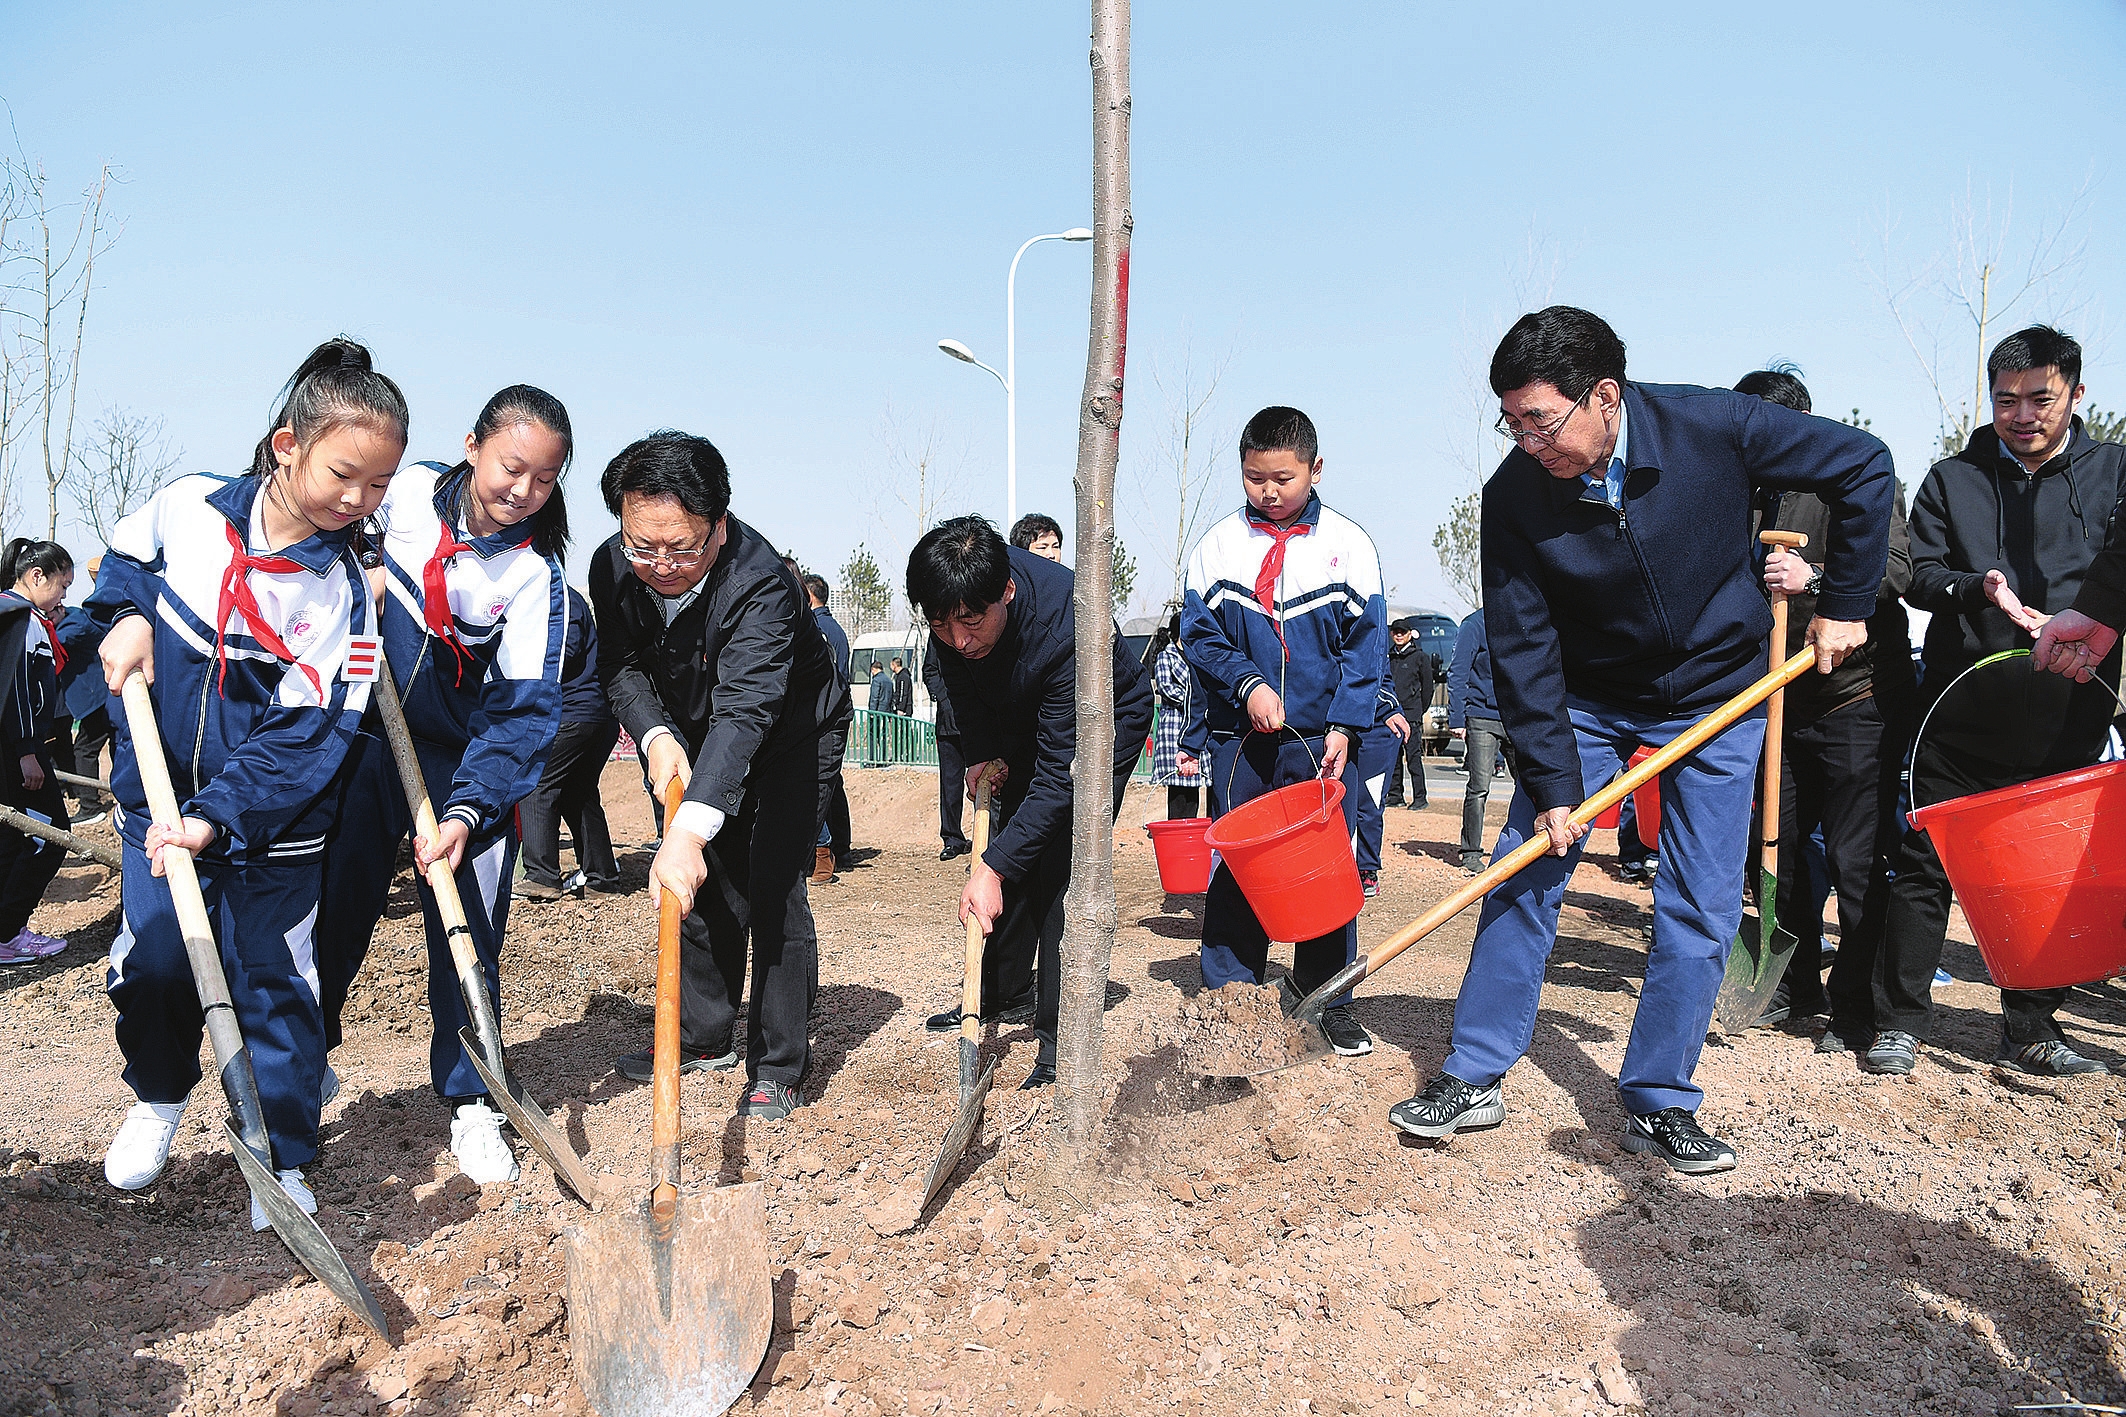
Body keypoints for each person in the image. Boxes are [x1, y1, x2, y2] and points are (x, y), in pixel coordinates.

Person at [1390, 307, 1892, 1174]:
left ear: (1605, 397)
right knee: (1527, 864)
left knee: (1698, 901)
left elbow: (1864, 465)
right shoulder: (1515, 495)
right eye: (1509, 421)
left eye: (1540, 420)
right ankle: (1474, 1072)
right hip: (1588, 699)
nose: (1526, 440)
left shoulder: (1714, 427)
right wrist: (1552, 783)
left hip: (1717, 697)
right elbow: (1521, 643)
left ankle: (1659, 1097)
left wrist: (1846, 601)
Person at [94, 337, 403, 1228]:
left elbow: (306, 738)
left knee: (275, 988)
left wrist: (218, 817)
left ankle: (280, 1153)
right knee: (156, 965)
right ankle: (157, 1096)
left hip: (276, 832)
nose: (359, 499)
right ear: (286, 447)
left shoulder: (340, 595)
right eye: (345, 474)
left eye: (378, 486)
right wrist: (121, 619)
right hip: (153, 806)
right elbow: (119, 566)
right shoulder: (188, 506)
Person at [315, 386, 571, 1186]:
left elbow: (524, 713)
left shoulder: (535, 577)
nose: (523, 490)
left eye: (544, 477)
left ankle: (472, 1099)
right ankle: (302, 1060)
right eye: (511, 467)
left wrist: (470, 804)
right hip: (366, 734)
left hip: (465, 763)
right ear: (471, 445)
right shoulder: (400, 497)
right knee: (333, 902)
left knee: (467, 936)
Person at [1866, 326, 2126, 1079]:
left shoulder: (2113, 472)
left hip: (2068, 713)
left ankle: (2033, 1026)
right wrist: (1972, 586)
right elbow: (1919, 574)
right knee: (1922, 863)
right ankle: (1900, 1021)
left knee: (2046, 876)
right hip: (1957, 711)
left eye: (2040, 398)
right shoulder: (1955, 476)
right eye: (2005, 399)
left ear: (2076, 394)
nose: (2021, 415)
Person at [592, 431, 849, 1121]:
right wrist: (651, 733)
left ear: (720, 525)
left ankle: (779, 1065)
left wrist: (687, 829)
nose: (661, 565)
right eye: (643, 546)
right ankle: (702, 1036)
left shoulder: (761, 580)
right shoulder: (612, 566)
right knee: (700, 890)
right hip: (689, 731)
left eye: (682, 547)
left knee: (772, 887)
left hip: (792, 732)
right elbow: (618, 666)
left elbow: (748, 712)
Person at [910, 516, 1151, 1089]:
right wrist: (980, 753)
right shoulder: (952, 618)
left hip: (1101, 723)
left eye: (972, 621)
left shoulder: (1067, 623)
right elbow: (958, 687)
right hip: (1020, 719)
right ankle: (995, 992)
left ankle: (1058, 1034)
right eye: (942, 624)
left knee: (1056, 868)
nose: (959, 638)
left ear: (1008, 592)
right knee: (1012, 855)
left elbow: (1058, 777)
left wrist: (991, 867)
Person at [1180, 405, 1387, 1059]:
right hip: (1242, 743)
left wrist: (1347, 726)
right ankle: (1228, 993)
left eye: (1283, 478)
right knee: (1240, 865)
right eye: (1253, 478)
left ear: (1315, 469)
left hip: (1324, 742)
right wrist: (1248, 685)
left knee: (1325, 869)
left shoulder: (1349, 547)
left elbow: (1366, 646)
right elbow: (1198, 634)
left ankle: (1326, 997)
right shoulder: (1217, 547)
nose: (1268, 492)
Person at [1732, 365, 1916, 1045]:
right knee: (1773, 848)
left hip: (1854, 698)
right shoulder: (1741, 494)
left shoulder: (1855, 479)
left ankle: (1858, 1007)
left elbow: (1897, 569)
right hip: (1776, 700)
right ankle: (1789, 983)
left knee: (1855, 858)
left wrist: (1816, 577)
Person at [517, 586, 622, 900]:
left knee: (536, 784)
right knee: (578, 793)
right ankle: (602, 878)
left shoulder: (556, 595)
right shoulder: (558, 595)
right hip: (590, 713)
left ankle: (541, 877)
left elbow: (565, 650)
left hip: (576, 713)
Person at [0, 539, 76, 963]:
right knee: (47, 836)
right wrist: (28, 750)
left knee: (12, 838)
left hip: (13, 749)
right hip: (17, 753)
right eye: (62, 586)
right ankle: (8, 931)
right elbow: (18, 690)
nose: (64, 596)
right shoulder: (22, 619)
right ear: (36, 576)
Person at [1446, 609, 1514, 876]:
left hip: (1517, 718)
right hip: (1481, 717)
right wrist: (1457, 718)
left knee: (1529, 786)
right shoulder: (1474, 624)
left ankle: (1528, 847)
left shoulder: (1520, 620)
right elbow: (1458, 672)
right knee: (1479, 788)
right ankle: (1471, 852)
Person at [53, 565, 111, 827]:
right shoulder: (72, 619)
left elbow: (56, 645)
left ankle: (90, 806)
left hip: (97, 699)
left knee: (84, 750)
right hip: (99, 697)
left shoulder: (73, 623)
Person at [803, 572, 852, 868]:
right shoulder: (836, 629)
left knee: (815, 785)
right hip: (838, 714)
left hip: (821, 718)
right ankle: (841, 849)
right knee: (833, 785)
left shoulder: (815, 628)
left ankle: (822, 851)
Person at [1351, 680, 1412, 900]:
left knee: (1369, 802)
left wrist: (1388, 708)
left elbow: (1379, 674)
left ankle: (1367, 869)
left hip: (1376, 727)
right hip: (1333, 718)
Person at [1148, 613, 1204, 820]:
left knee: (1194, 783)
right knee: (1178, 785)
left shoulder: (1196, 655)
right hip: (1174, 725)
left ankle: (1191, 830)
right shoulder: (1166, 655)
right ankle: (1176, 830)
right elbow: (1166, 688)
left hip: (1195, 724)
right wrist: (1195, 700)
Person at [924, 640, 971, 858]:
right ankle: (952, 838)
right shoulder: (939, 632)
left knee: (990, 784)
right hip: (948, 724)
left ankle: (991, 840)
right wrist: (944, 699)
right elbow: (930, 670)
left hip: (981, 721)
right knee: (950, 785)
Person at [1381, 618, 1432, 810]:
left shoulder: (1420, 657)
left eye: (1402, 632)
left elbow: (1428, 689)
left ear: (1410, 634)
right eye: (1395, 632)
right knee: (1394, 758)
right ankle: (1395, 795)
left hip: (1411, 715)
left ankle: (1420, 797)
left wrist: (1418, 710)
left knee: (1413, 758)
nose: (1399, 635)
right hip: (1393, 714)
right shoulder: (1389, 657)